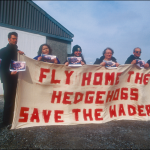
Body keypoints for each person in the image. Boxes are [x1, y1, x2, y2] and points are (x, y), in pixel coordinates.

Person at [0, 32, 24, 126]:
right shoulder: (2, 51)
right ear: (8, 39)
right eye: (13, 38)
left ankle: (14, 119)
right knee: (8, 100)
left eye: (16, 38)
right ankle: (6, 122)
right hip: (7, 79)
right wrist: (9, 72)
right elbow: (1, 67)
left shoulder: (18, 52)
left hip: (17, 79)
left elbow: (22, 64)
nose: (15, 40)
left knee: (15, 99)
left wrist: (22, 55)